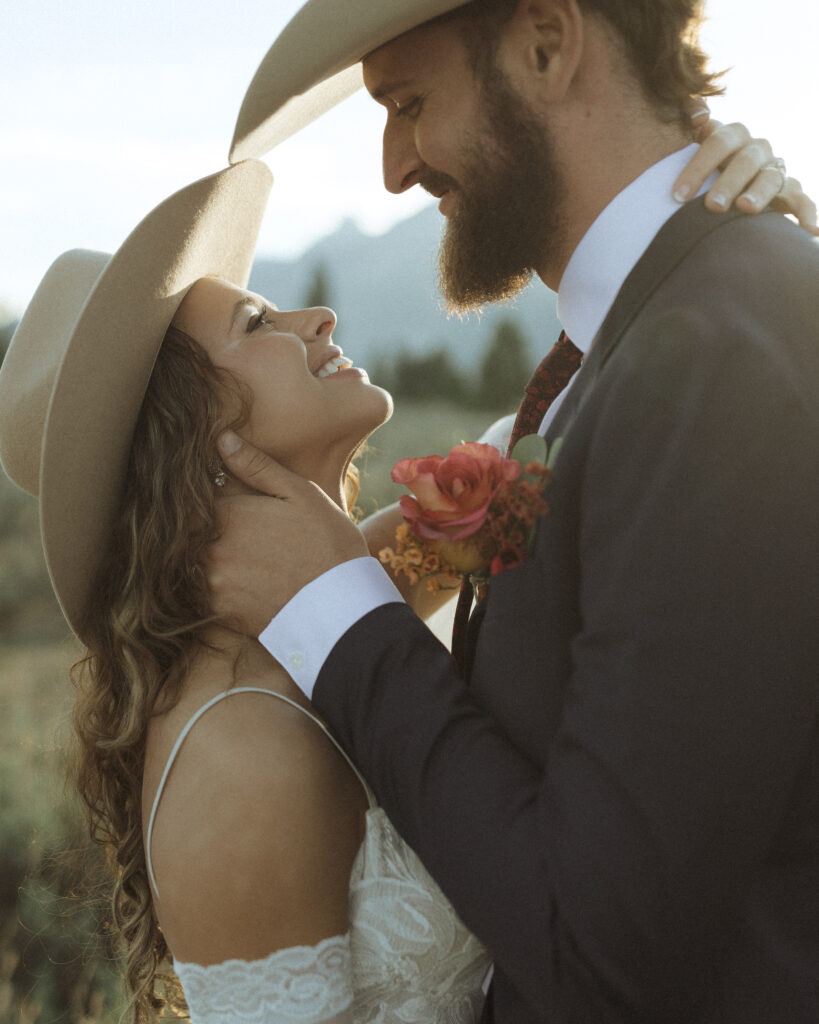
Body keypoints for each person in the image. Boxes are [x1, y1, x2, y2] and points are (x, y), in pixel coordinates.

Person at [204, 1, 819, 1022]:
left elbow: (600, 948)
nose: (395, 166)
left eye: (409, 102)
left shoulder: (713, 356)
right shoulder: (634, 346)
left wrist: (344, 622)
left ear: (546, 42)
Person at [0, 162, 491, 1023]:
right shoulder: (237, 746)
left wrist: (728, 196)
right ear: (194, 431)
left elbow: (528, 468)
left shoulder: (324, 600)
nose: (319, 317)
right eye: (257, 321)